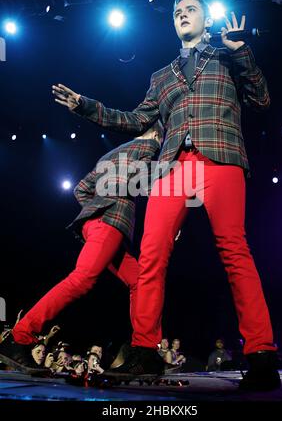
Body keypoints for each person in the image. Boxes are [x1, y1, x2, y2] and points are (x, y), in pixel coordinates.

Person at [48, 0, 280, 389]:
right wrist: (85, 105)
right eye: (178, 12)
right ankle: (144, 351)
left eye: (191, 10)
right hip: (175, 167)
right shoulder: (161, 76)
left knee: (234, 250)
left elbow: (261, 100)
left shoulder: (227, 55)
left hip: (221, 157)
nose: (183, 15)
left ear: (207, 20)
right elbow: (134, 120)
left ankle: (261, 355)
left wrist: (242, 52)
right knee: (153, 252)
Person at [0, 117, 163, 372]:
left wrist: (96, 212)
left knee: (140, 280)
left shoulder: (110, 155)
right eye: (160, 139)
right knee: (81, 280)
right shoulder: (146, 148)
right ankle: (20, 335)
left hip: (100, 225)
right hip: (110, 224)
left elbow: (81, 189)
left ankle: (145, 348)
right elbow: (155, 181)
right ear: (156, 135)